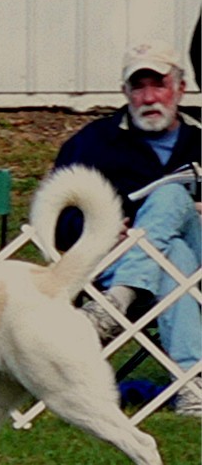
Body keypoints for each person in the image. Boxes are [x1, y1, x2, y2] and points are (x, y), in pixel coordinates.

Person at [54, 39, 201, 417]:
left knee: (171, 199)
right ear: (125, 92)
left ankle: (114, 306)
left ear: (181, 89)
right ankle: (193, 387)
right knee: (174, 257)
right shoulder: (91, 144)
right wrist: (96, 227)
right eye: (139, 86)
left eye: (160, 85)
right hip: (114, 264)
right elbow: (58, 219)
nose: (150, 97)